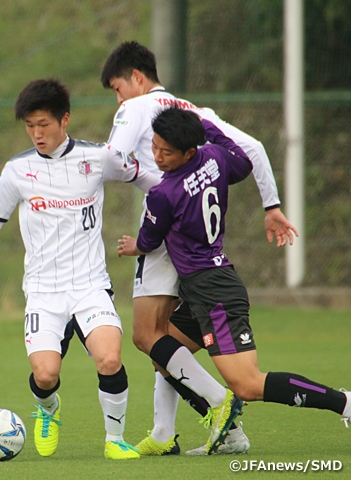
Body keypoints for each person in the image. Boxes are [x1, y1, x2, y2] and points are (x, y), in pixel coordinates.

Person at [0, 79, 160, 460]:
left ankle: (114, 439)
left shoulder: (99, 157)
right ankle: (49, 410)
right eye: (30, 126)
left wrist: (178, 201)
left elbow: (148, 180)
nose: (37, 133)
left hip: (90, 285)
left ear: (65, 119)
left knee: (109, 358)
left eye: (44, 124)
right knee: (45, 375)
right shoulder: (18, 170)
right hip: (43, 290)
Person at [100, 40, 299, 456]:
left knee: (147, 336)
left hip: (162, 233)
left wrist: (142, 177)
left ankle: (218, 402)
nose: (118, 98)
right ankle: (165, 432)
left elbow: (113, 158)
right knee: (168, 342)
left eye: (117, 88)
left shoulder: (136, 109)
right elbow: (255, 150)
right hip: (197, 242)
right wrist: (272, 206)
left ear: (136, 78)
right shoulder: (193, 112)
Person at [117, 106, 351, 454]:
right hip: (206, 287)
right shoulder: (215, 158)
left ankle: (344, 402)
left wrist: (134, 245)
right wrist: (207, 123)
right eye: (154, 147)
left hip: (214, 291)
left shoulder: (163, 193)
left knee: (247, 384)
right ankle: (227, 435)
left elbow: (149, 241)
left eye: (167, 152)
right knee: (164, 356)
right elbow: (243, 160)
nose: (158, 156)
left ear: (188, 151)